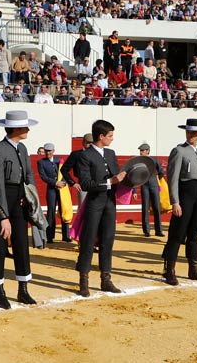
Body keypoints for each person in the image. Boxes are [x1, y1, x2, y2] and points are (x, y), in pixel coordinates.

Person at [0, 110, 40, 309]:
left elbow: (29, 175)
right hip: (4, 198)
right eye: (25, 126)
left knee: (21, 244)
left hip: (20, 198)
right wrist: (3, 215)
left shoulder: (23, 148)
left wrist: (32, 198)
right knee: (0, 246)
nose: (27, 129)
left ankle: (23, 290)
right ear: (15, 128)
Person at [75, 120, 127, 297]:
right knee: (88, 241)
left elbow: (117, 176)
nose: (112, 139)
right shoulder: (85, 156)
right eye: (110, 136)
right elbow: (86, 183)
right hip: (94, 203)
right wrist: (111, 181)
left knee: (107, 240)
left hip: (110, 203)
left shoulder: (110, 153)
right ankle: (84, 280)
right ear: (101, 136)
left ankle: (106, 279)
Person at [161, 119, 197, 286]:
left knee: (194, 234)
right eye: (189, 132)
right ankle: (169, 270)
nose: (191, 134)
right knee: (177, 234)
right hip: (184, 195)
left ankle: (193, 269)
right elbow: (173, 178)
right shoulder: (179, 150)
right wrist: (175, 202)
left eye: (194, 132)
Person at [37, 143, 70, 244]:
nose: (48, 153)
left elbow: (65, 172)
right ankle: (50, 236)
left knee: (64, 209)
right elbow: (43, 177)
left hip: (62, 189)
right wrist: (55, 183)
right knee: (51, 211)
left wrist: (63, 182)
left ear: (53, 151)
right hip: (51, 189)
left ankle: (66, 236)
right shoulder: (41, 162)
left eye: (50, 151)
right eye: (46, 151)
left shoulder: (59, 160)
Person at [135, 143, 165, 237]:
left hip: (153, 185)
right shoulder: (138, 161)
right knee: (145, 208)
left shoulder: (154, 160)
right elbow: (135, 176)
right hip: (144, 186)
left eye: (143, 150)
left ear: (148, 151)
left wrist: (157, 182)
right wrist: (135, 191)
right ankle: (146, 231)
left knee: (156, 207)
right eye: (140, 150)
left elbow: (161, 172)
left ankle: (158, 230)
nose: (141, 152)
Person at [60, 133, 93, 207]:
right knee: (83, 210)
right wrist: (73, 183)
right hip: (83, 185)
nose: (90, 145)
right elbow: (64, 169)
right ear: (83, 142)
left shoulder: (97, 154)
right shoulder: (76, 154)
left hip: (96, 184)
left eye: (92, 143)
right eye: (88, 143)